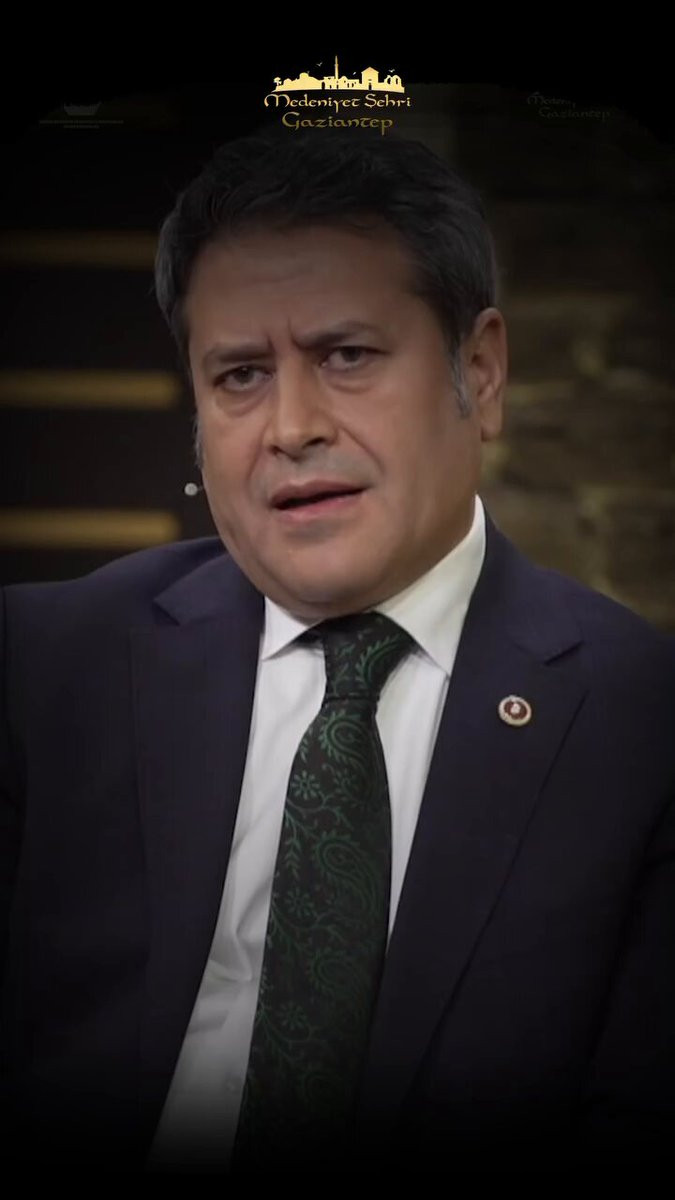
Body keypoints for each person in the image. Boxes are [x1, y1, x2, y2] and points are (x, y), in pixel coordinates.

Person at [1, 126, 674, 1179]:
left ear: (480, 372)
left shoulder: (641, 724)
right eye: (238, 374)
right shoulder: (39, 671)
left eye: (346, 356)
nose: (291, 426)